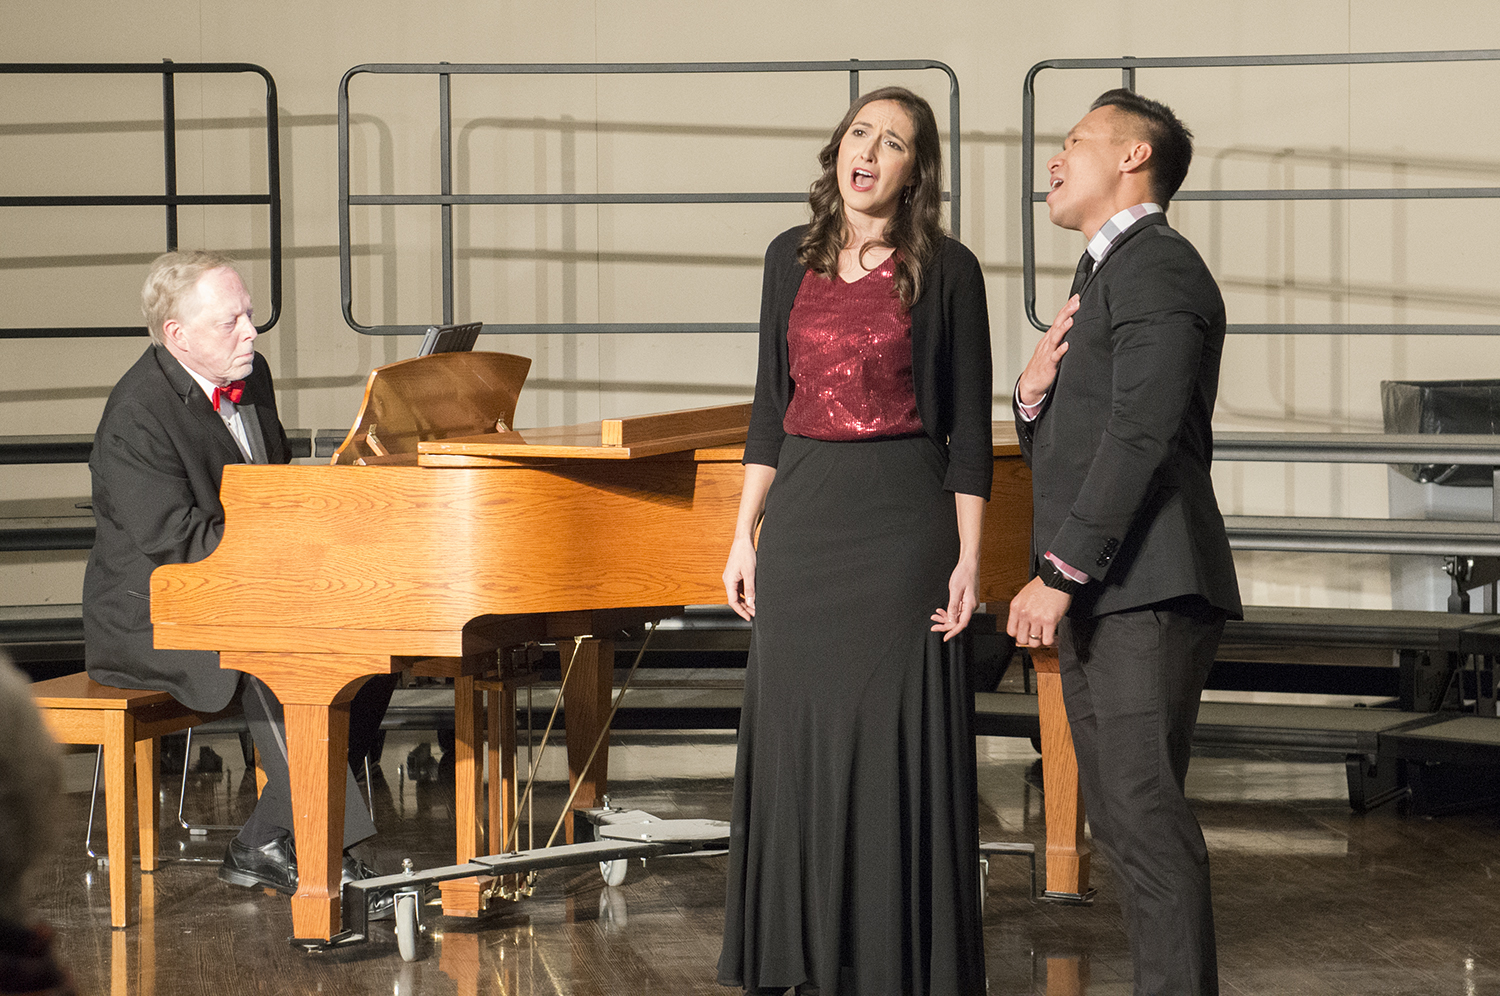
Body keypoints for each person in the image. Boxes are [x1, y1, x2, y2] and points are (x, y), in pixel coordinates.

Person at [719, 86, 992, 996]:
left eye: (896, 142)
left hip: (900, 528)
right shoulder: (783, 260)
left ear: (918, 170)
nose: (870, 151)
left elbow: (965, 431)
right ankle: (795, 955)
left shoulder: (947, 270)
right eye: (860, 133)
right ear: (838, 148)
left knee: (887, 743)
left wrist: (969, 559)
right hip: (801, 521)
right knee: (798, 740)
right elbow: (769, 407)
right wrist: (743, 534)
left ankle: (894, 961)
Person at [1006, 89, 1242, 996]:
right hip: (1114, 591)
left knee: (1143, 815)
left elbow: (1142, 437)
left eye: (1075, 141)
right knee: (1125, 818)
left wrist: (1059, 571)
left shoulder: (1158, 268)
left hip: (1144, 586)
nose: (1056, 161)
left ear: (1134, 156)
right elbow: (1082, 441)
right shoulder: (1104, 277)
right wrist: (1032, 396)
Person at [82, 250, 394, 900]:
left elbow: (270, 492)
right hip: (151, 615)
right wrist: (291, 553)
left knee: (377, 633)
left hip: (236, 591)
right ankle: (324, 853)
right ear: (179, 336)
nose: (252, 331)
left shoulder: (253, 377)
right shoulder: (136, 417)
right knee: (272, 654)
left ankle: (261, 842)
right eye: (234, 320)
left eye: (249, 314)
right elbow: (181, 542)